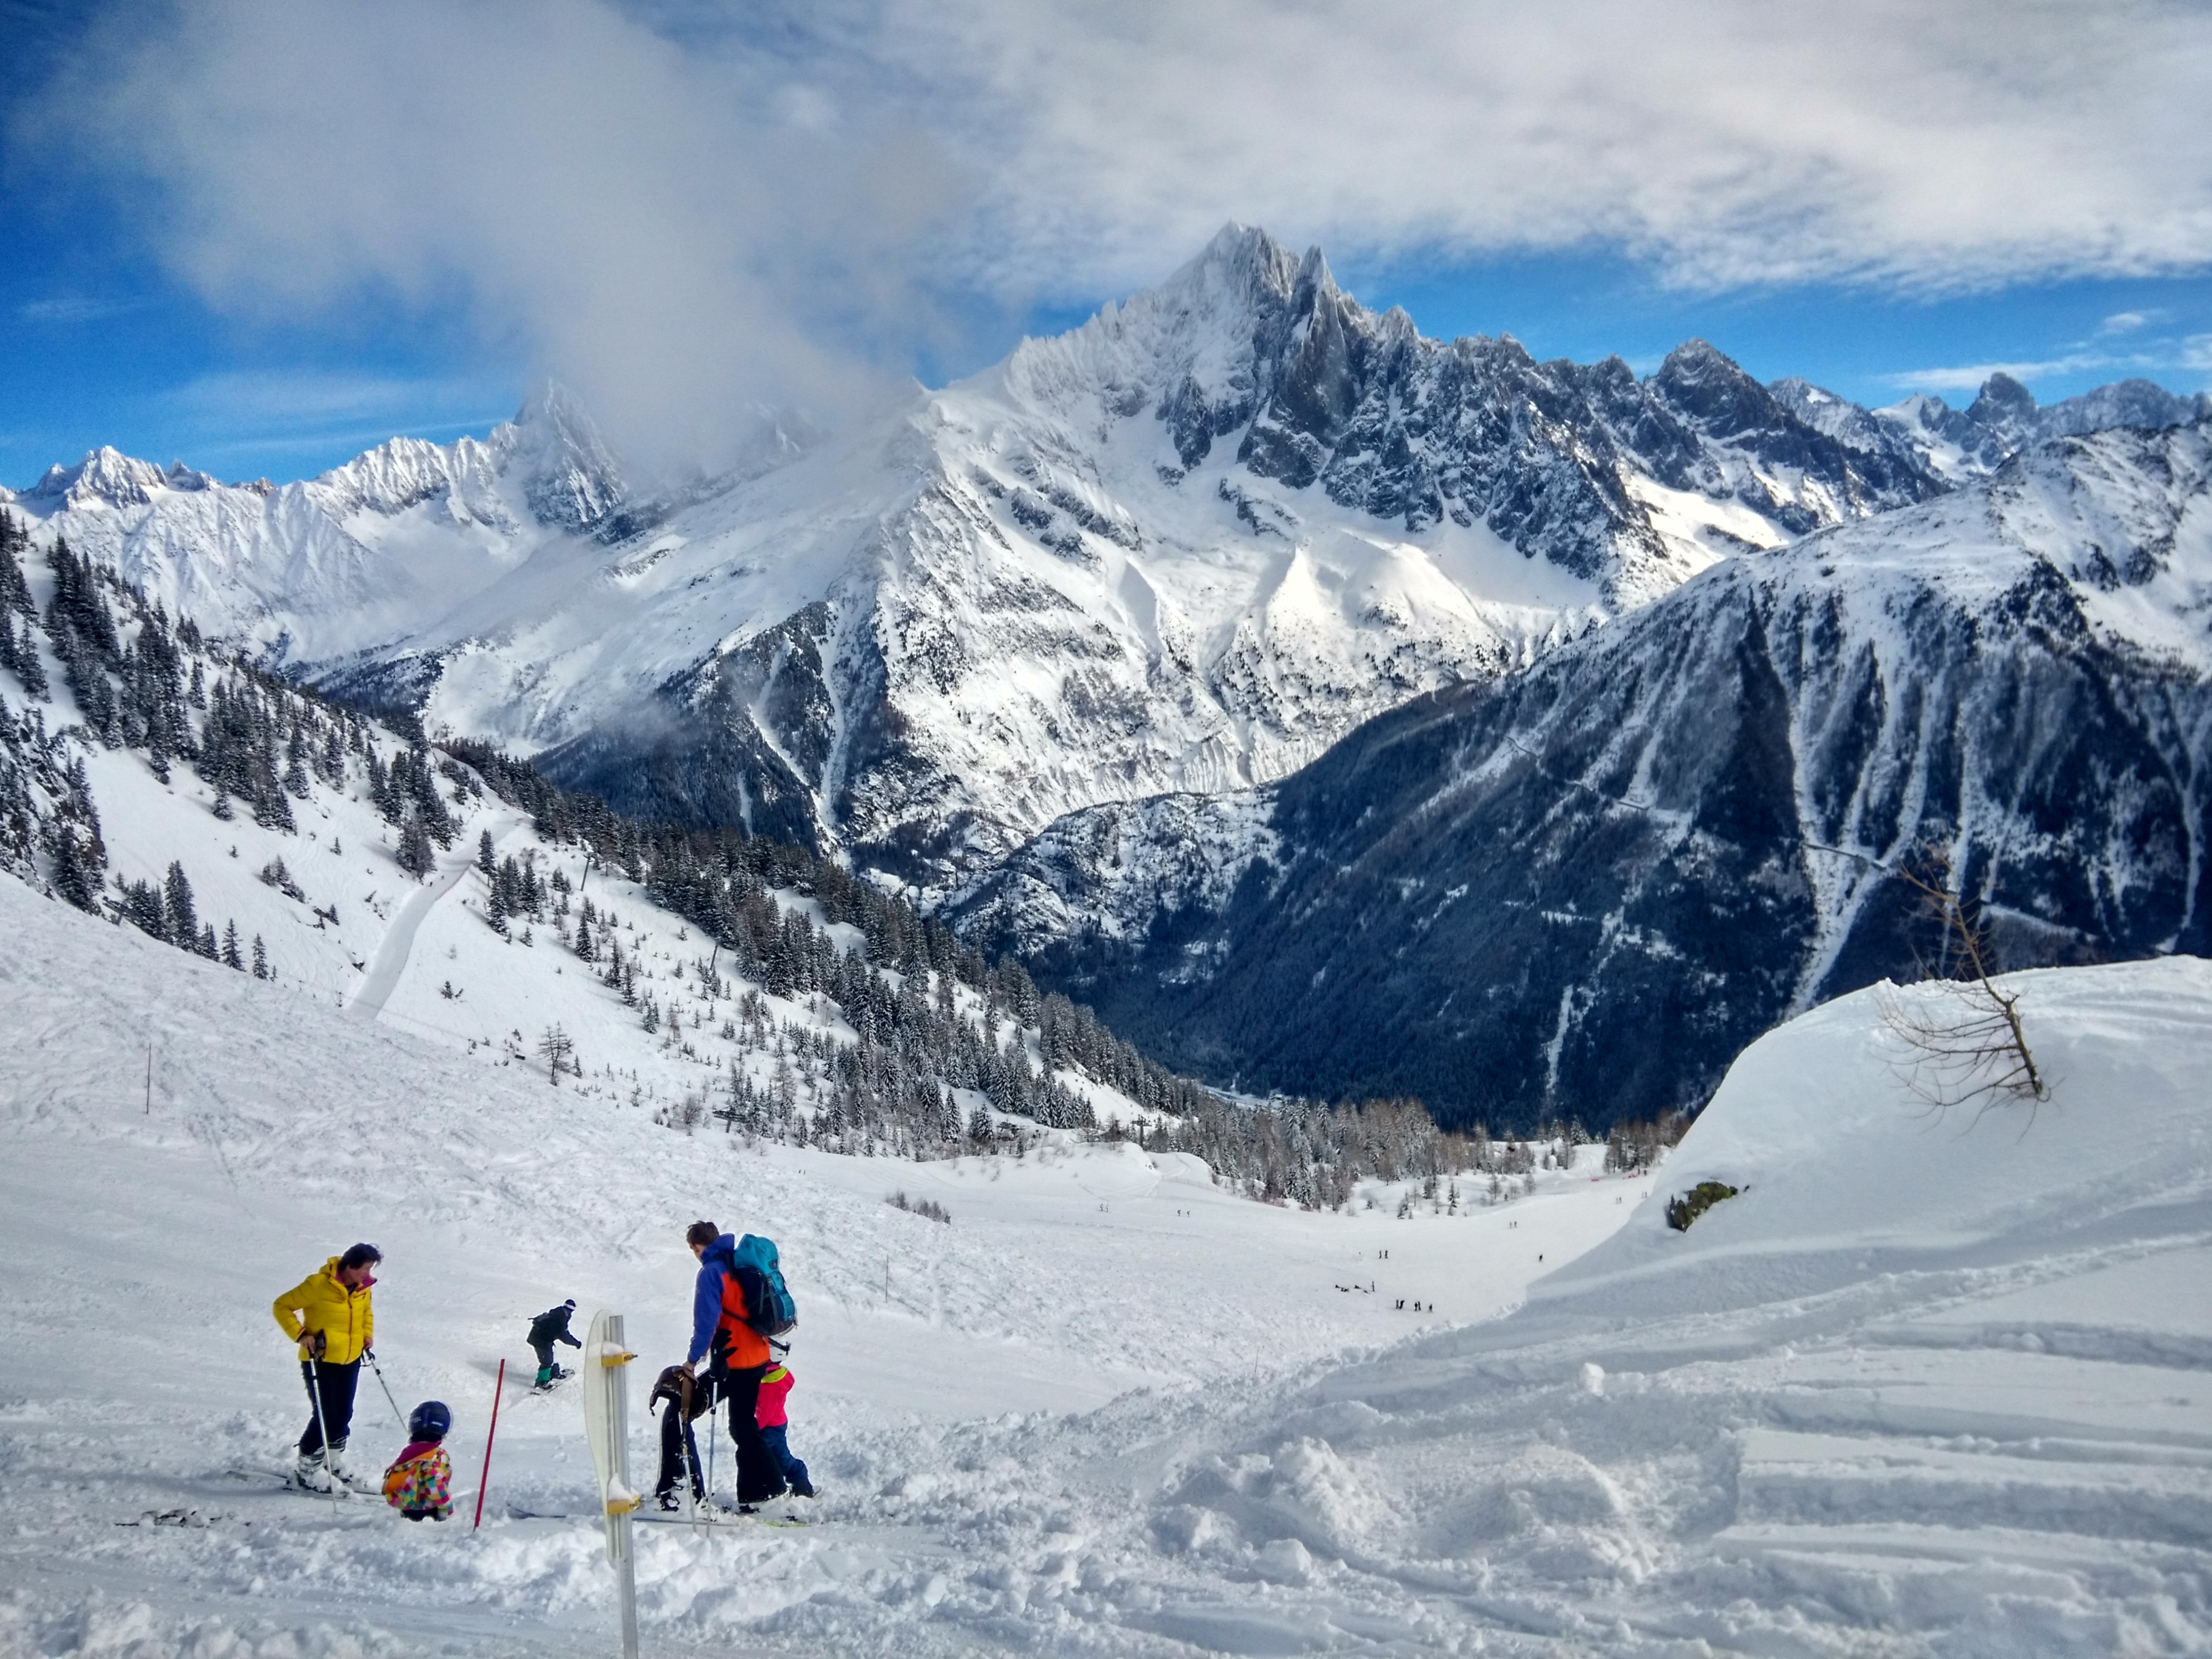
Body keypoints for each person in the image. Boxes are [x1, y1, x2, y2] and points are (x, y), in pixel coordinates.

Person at [680, 1220, 783, 1506]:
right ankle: (753, 1494)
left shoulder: (711, 1273)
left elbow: (706, 1323)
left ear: (697, 1246)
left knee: (737, 1426)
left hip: (735, 1362)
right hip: (758, 1356)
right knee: (743, 1426)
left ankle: (773, 1490)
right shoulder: (737, 1262)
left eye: (693, 1248)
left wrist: (691, 1361)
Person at [272, 1243, 381, 1492]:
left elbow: (366, 1314)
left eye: (370, 1269)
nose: (368, 1274)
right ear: (350, 1266)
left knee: (344, 1415)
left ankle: (331, 1464)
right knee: (325, 1416)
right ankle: (307, 1470)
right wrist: (301, 1335)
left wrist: (367, 1335)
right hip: (321, 1359)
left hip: (351, 1359)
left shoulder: (364, 1288)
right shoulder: (318, 1285)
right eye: (364, 1269)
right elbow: (282, 1306)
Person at [648, 1363, 717, 1511]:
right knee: (677, 1411)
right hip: (743, 1362)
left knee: (679, 1413)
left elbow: (706, 1338)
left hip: (737, 1363)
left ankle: (682, 1491)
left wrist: (693, 1359)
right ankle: (685, 1489)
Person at [383, 1401, 456, 1521]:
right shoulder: (437, 1456)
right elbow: (434, 1485)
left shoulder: (408, 1452)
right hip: (427, 1512)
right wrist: (446, 1510)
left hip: (406, 1507)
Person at [755, 1357, 815, 1499]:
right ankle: (786, 1484)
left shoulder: (771, 1384)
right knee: (775, 1456)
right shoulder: (769, 1377)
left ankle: (800, 1483)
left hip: (772, 1426)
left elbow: (766, 1412)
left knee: (773, 1457)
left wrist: (754, 1430)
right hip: (773, 1425)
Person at [526, 1299, 582, 1390]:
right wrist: (576, 1343)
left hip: (541, 1338)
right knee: (547, 1361)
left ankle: (553, 1373)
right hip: (540, 1340)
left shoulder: (557, 1312)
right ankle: (541, 1382)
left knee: (550, 1356)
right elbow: (564, 1336)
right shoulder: (561, 1320)